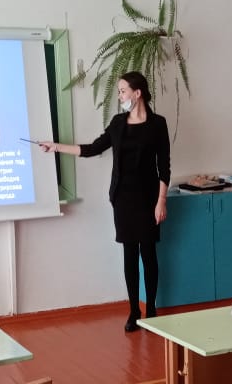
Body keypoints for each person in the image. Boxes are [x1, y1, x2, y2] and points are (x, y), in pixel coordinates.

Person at [39, 72, 170, 333]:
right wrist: (56, 147)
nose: (119, 96)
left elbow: (164, 166)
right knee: (130, 254)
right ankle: (134, 311)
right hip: (123, 198)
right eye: (119, 91)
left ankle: (152, 311)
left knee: (149, 253)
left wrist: (161, 201)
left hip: (148, 198)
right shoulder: (118, 123)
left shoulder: (158, 124)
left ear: (137, 93)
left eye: (122, 91)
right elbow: (92, 148)